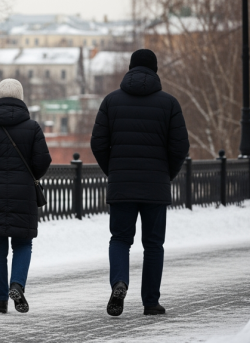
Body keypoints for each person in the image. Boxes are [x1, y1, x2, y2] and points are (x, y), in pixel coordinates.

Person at [90, 49, 189, 317]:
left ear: (130, 69)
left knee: (120, 239)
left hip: (122, 185)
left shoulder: (111, 101)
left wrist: (114, 170)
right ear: (155, 70)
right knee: (153, 244)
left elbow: (98, 143)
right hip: (155, 186)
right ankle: (151, 302)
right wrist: (166, 174)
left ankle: (119, 282)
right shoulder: (169, 104)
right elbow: (180, 146)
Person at [0, 79, 51, 315]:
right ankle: (17, 284)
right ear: (21, 98)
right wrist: (28, 175)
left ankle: (0, 301)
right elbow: (43, 161)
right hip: (23, 193)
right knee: (23, 243)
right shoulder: (33, 127)